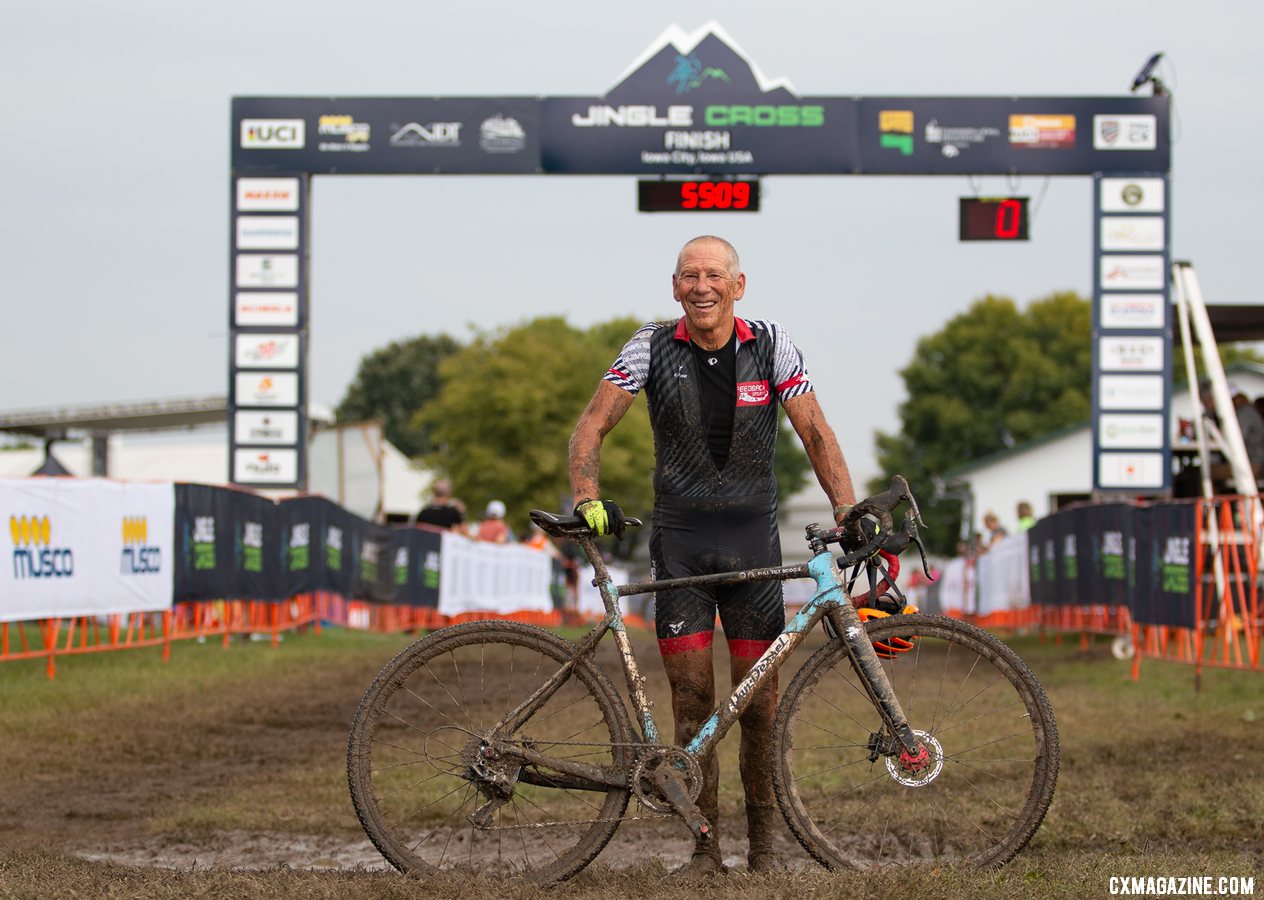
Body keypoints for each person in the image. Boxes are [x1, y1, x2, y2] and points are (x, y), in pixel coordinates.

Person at [568, 235, 858, 876]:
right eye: (689, 276)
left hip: (755, 550)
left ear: (738, 285)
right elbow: (591, 424)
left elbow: (814, 427)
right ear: (675, 288)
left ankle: (763, 852)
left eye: (714, 275)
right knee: (694, 704)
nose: (702, 286)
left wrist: (844, 508)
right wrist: (587, 495)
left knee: (759, 707)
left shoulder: (772, 343)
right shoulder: (648, 345)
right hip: (681, 550)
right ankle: (703, 851)